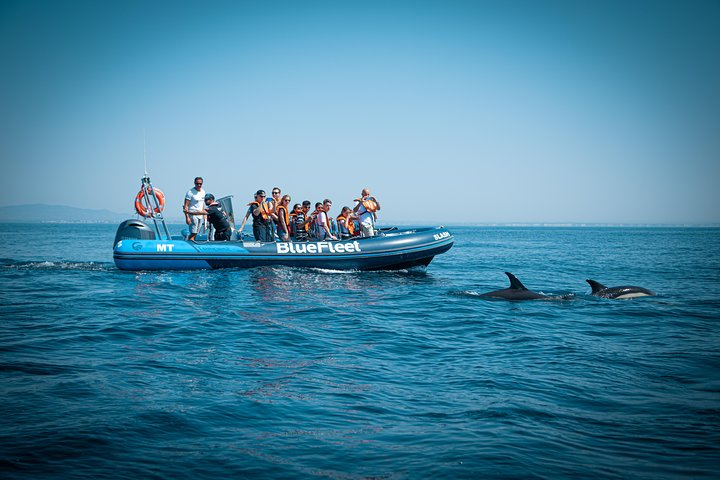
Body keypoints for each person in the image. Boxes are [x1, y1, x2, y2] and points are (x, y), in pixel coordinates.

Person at [183, 177, 206, 241]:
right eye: (197, 183)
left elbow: (202, 204)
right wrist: (187, 217)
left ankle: (192, 241)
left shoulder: (203, 192)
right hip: (192, 214)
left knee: (196, 232)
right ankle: (190, 242)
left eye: (200, 184)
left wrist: (205, 216)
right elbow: (186, 206)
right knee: (193, 231)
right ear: (194, 183)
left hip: (200, 215)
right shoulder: (190, 192)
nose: (199, 185)